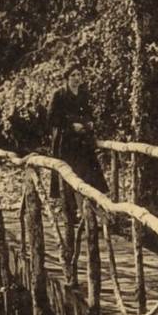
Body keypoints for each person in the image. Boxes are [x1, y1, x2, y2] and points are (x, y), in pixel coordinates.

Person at [47, 65, 109, 208]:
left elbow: (89, 113)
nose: (76, 78)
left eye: (79, 75)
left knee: (87, 172)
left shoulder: (83, 94)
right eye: (73, 75)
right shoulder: (59, 94)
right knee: (68, 173)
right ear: (67, 78)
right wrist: (70, 126)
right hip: (65, 140)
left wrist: (90, 122)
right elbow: (51, 118)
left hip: (82, 141)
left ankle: (89, 209)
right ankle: (70, 210)